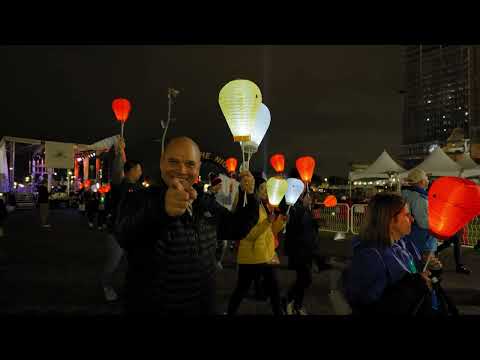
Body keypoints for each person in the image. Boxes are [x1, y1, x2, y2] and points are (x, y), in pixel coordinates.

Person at [114, 137, 259, 316]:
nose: (182, 170)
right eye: (173, 161)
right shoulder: (139, 197)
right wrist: (161, 211)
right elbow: (125, 235)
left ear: (198, 168)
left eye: (190, 164)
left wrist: (251, 197)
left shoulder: (205, 203)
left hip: (203, 305)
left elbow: (237, 228)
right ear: (161, 163)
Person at [344, 192, 439, 315]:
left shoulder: (403, 244)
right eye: (406, 215)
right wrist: (414, 284)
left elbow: (412, 270)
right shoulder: (369, 257)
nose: (412, 219)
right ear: (390, 220)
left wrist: (427, 267)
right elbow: (367, 304)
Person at [226, 177, 286, 316]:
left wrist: (281, 221)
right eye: (262, 188)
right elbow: (249, 234)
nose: (265, 191)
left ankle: (278, 311)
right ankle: (230, 311)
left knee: (274, 289)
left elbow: (272, 231)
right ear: (255, 190)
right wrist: (267, 222)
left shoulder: (265, 206)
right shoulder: (249, 208)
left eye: (267, 188)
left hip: (264, 256)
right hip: (251, 258)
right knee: (241, 290)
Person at [102, 159, 144, 302]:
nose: (141, 172)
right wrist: (120, 154)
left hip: (130, 232)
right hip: (117, 232)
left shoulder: (135, 188)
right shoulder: (121, 187)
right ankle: (106, 286)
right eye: (139, 169)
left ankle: (129, 288)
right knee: (113, 262)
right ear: (131, 171)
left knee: (130, 263)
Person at [283, 191, 319, 315]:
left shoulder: (308, 211)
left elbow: (312, 231)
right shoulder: (296, 210)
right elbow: (292, 230)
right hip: (299, 252)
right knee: (304, 279)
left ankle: (296, 304)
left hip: (307, 251)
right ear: (302, 198)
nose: (310, 200)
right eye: (307, 197)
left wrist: (316, 222)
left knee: (304, 279)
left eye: (311, 198)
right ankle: (289, 300)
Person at [401, 169, 442, 270]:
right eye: (426, 178)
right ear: (421, 181)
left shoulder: (406, 193)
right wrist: (437, 222)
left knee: (412, 265)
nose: (428, 181)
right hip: (422, 240)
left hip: (410, 237)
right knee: (427, 268)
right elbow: (423, 223)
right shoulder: (419, 198)